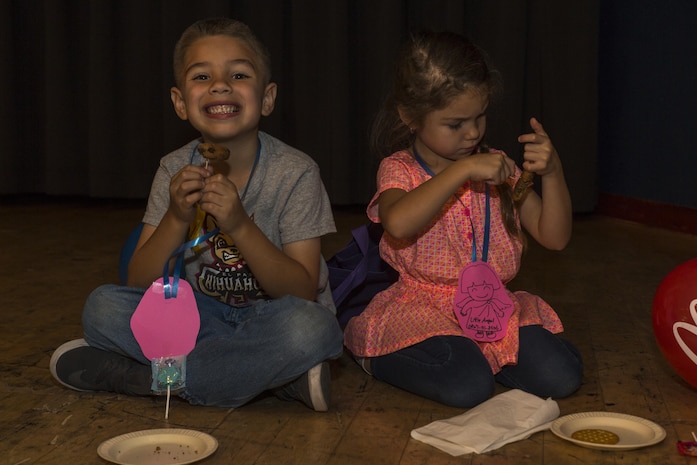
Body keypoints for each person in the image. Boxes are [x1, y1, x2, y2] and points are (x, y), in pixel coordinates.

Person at [50, 18, 344, 411]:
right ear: (180, 102)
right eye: (202, 76)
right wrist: (175, 216)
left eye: (238, 74)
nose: (220, 85)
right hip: (198, 317)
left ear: (267, 97)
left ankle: (150, 380)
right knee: (102, 307)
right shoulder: (173, 168)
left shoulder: (296, 172)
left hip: (273, 319)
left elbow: (302, 291)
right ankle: (271, 379)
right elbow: (139, 282)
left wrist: (239, 224)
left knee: (314, 328)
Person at [343, 31, 583, 408]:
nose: (473, 133)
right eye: (455, 124)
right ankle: (375, 352)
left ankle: (482, 354)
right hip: (422, 308)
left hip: (490, 305)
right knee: (466, 388)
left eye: (480, 117)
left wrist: (553, 173)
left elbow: (554, 237)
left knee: (561, 375)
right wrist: (464, 170)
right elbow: (399, 223)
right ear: (410, 116)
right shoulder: (400, 170)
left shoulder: (500, 168)